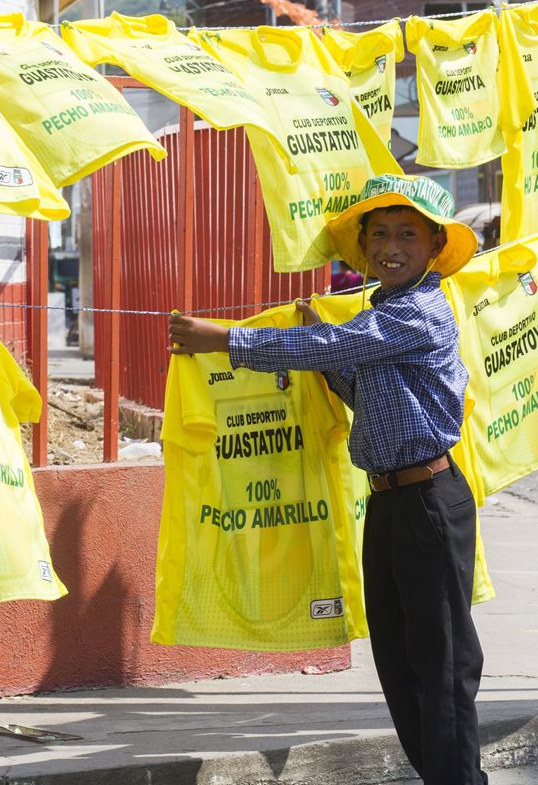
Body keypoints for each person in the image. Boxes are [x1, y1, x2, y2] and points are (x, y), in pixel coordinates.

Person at [167, 174, 487, 785]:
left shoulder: (420, 312)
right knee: (397, 659)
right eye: (379, 235)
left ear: (433, 245)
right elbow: (360, 386)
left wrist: (225, 340)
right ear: (364, 247)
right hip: (391, 505)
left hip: (428, 503)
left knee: (443, 664)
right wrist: (332, 353)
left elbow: (329, 348)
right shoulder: (382, 313)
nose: (391, 247)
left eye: (407, 235)